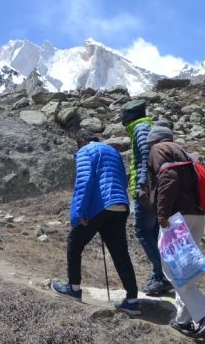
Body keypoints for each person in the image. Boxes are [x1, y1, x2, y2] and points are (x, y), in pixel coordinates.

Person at [146, 125, 205, 338]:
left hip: (176, 219)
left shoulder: (159, 150)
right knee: (187, 269)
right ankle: (184, 319)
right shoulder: (184, 153)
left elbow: (168, 178)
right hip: (196, 216)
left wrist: (162, 213)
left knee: (173, 269)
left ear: (155, 140)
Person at [51, 131, 140, 315]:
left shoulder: (86, 151)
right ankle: (132, 300)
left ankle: (73, 289)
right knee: (120, 253)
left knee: (74, 243)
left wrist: (78, 213)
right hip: (120, 204)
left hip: (100, 206)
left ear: (82, 141)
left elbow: (84, 181)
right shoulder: (113, 152)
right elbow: (122, 178)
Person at [121, 100, 171, 295]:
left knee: (142, 231)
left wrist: (142, 186)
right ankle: (161, 274)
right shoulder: (146, 127)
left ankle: (162, 275)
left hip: (146, 190)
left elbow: (145, 157)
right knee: (156, 234)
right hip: (155, 189)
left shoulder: (140, 128)